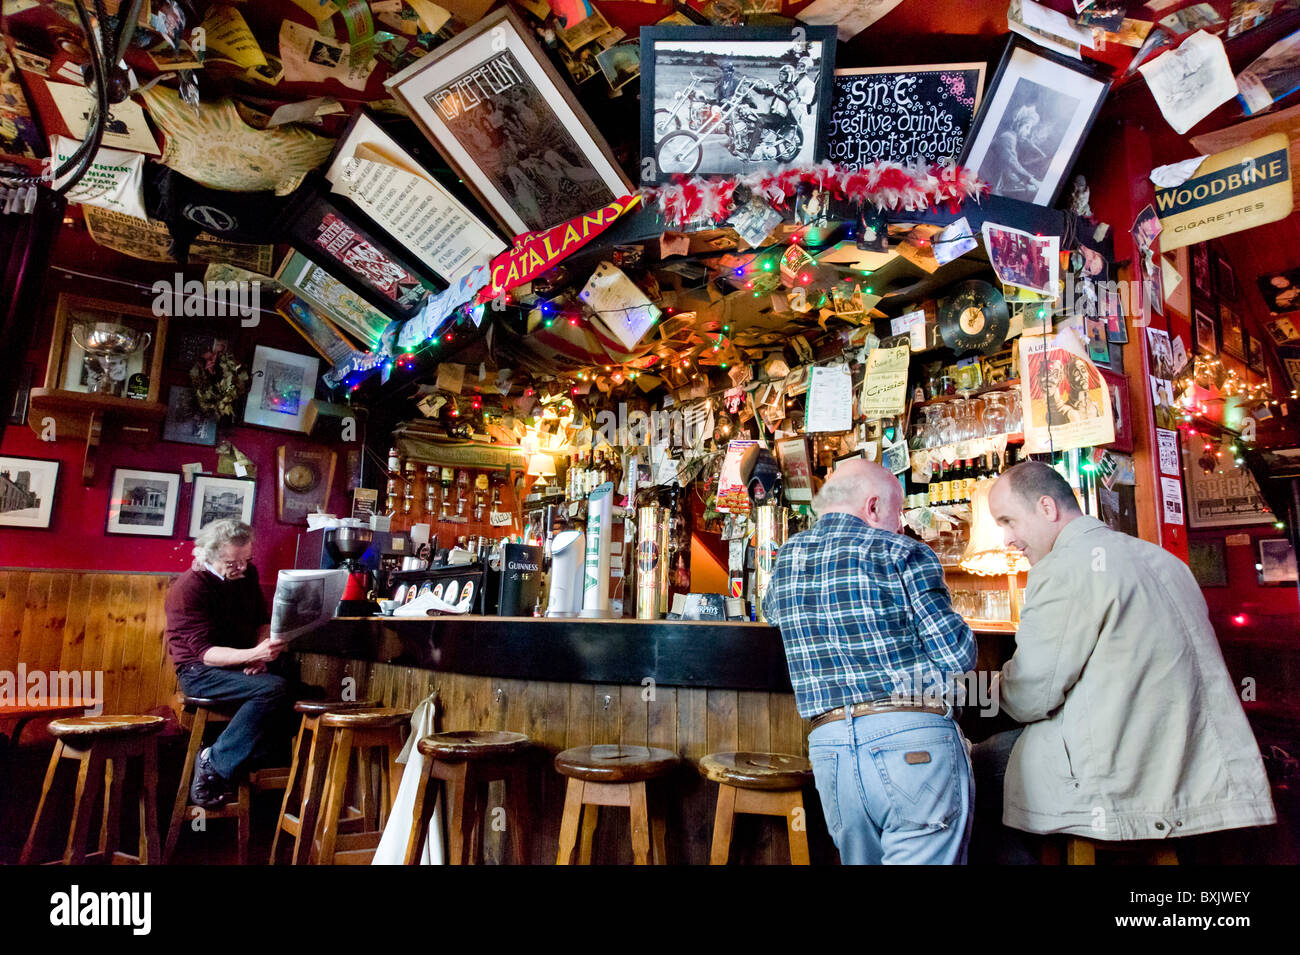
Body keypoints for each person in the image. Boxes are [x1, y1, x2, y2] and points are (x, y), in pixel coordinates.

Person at [970, 463, 1276, 862]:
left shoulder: (1064, 568)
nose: (1008, 539)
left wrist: (982, 689)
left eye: (1008, 521)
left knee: (970, 769)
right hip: (1189, 769)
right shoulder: (1164, 560)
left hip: (1119, 774)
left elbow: (1030, 696)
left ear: (1047, 508)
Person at [764, 460, 977, 864]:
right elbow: (956, 655)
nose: (900, 525)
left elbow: (772, 612)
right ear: (874, 506)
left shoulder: (787, 558)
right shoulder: (904, 551)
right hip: (913, 745)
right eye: (898, 514)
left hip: (830, 749)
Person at [164, 519, 292, 809]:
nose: (242, 569)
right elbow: (206, 653)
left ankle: (245, 761)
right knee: (274, 690)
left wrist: (260, 655)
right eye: (232, 563)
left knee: (300, 687)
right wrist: (254, 655)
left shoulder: (246, 575)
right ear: (207, 557)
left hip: (239, 663)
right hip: (198, 671)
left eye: (246, 560)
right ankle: (214, 761)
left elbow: (261, 621)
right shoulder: (188, 589)